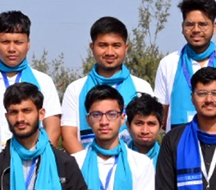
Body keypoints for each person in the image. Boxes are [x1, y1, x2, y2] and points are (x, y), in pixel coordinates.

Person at [0, 11, 63, 151]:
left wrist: (39, 159)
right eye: (5, 42)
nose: (11, 49)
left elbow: (53, 128)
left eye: (18, 42)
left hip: (35, 160)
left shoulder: (43, 81)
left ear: (28, 43)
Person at [60, 16, 155, 152]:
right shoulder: (75, 89)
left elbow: (149, 132)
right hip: (86, 169)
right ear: (92, 47)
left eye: (116, 45)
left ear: (126, 47)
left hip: (132, 168)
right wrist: (85, 167)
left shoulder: (142, 87)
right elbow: (68, 135)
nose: (109, 52)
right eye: (103, 45)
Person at [154, 0, 216, 130]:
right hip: (179, 144)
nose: (196, 30)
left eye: (203, 24)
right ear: (182, 27)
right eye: (190, 24)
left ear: (214, 27)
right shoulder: (168, 63)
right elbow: (162, 113)